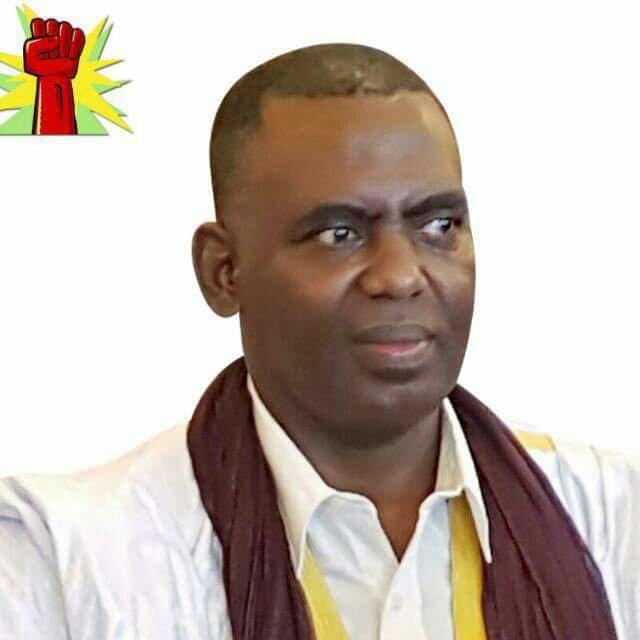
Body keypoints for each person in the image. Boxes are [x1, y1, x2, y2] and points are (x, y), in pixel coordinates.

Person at [1, 42, 638, 639]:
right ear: (224, 273)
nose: (401, 276)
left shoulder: (611, 516)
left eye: (440, 225)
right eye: (339, 234)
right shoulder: (68, 558)